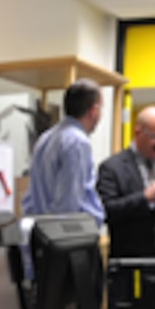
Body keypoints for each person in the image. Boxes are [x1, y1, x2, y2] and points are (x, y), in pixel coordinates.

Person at [96, 104, 155, 259]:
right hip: (132, 259)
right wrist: (145, 198)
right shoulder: (113, 167)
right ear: (138, 131)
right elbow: (107, 212)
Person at [22, 79, 104, 221]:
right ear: (94, 111)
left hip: (40, 231)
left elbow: (31, 198)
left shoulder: (45, 138)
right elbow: (69, 204)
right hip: (66, 236)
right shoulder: (77, 142)